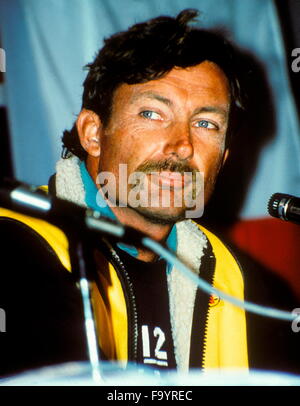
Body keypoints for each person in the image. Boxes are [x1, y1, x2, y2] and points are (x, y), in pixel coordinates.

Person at [0, 9, 299, 378]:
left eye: (205, 123)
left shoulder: (247, 290)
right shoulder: (13, 253)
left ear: (222, 159)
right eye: (153, 114)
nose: (182, 146)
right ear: (93, 133)